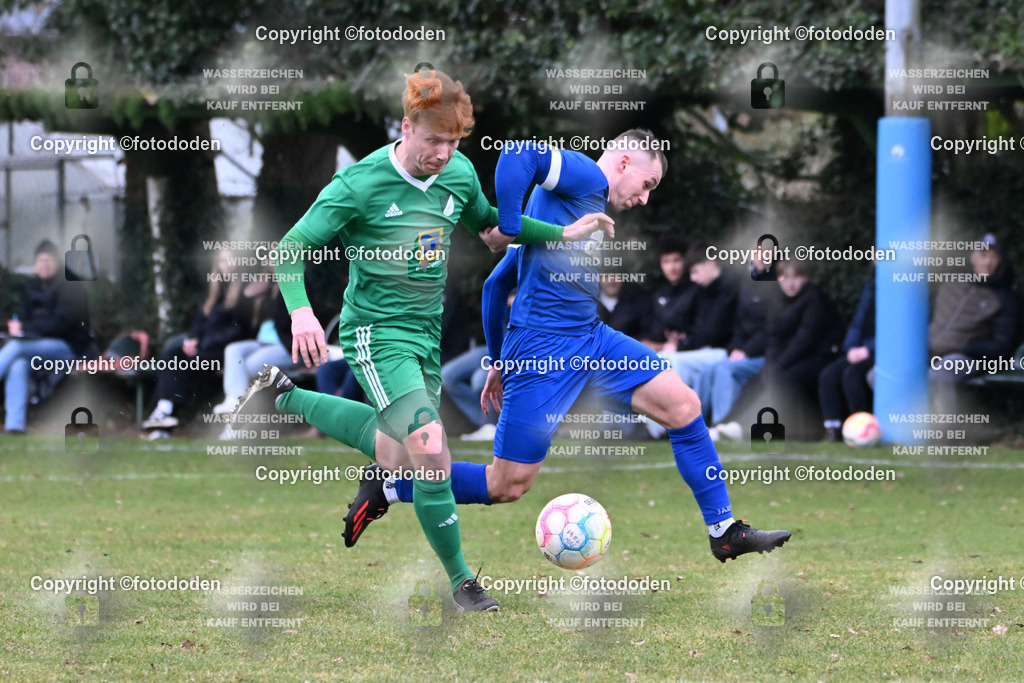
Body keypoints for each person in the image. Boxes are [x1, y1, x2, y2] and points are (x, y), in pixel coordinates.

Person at [231, 66, 614, 612]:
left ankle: (283, 394)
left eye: (455, 142)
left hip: (424, 336)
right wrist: (302, 315)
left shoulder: (456, 173)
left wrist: (562, 231)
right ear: (407, 126)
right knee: (431, 447)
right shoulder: (359, 184)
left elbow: (489, 228)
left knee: (400, 456)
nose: (444, 153)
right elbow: (290, 249)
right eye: (435, 140)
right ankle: (463, 583)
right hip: (375, 333)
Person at [339, 129, 791, 563]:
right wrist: (510, 226)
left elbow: (496, 287)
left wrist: (496, 360)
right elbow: (518, 154)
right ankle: (390, 487)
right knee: (507, 484)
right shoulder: (588, 179)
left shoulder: (568, 212)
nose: (645, 197)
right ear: (625, 160)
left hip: (591, 338)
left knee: (684, 406)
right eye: (647, 184)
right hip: (542, 351)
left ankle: (724, 531)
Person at [711, 260, 839, 441]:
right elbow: (773, 338)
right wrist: (770, 365)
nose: (791, 283)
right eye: (785, 277)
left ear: (806, 278)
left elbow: (804, 341)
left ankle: (748, 429)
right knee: (756, 380)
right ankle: (723, 425)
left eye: (797, 277)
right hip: (788, 360)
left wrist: (776, 367)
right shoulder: (776, 300)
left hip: (817, 357)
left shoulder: (814, 300)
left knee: (780, 380)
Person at [142, 250, 257, 438]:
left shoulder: (245, 293)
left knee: (176, 365)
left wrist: (202, 343)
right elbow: (199, 324)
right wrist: (192, 340)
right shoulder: (212, 292)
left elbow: (240, 331)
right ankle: (165, 409)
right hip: (203, 351)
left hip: (225, 355)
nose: (226, 264)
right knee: (173, 354)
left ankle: (162, 420)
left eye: (230, 260)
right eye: (222, 260)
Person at [1, 240, 93, 434]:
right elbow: (25, 318)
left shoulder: (71, 285)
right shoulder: (32, 287)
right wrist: (18, 327)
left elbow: (61, 324)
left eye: (48, 260)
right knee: (18, 365)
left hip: (69, 348)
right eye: (40, 261)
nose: (44, 265)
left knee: (16, 348)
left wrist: (24, 328)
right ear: (34, 263)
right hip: (37, 348)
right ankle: (14, 426)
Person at [928, 234, 1017, 413]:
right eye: (983, 255)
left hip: (967, 357)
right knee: (877, 374)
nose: (988, 262)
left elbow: (1002, 346)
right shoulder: (951, 284)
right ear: (972, 256)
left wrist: (969, 346)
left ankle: (946, 434)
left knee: (939, 374)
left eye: (994, 257)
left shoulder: (1004, 298)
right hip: (929, 351)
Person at [693, 255, 775, 428]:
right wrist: (736, 348)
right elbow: (739, 324)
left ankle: (723, 425)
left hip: (765, 354)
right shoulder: (747, 285)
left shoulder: (777, 287)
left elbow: (773, 329)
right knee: (707, 372)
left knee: (725, 370)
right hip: (744, 351)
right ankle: (693, 424)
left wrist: (747, 351)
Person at [818, 274, 874, 441]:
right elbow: (858, 321)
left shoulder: (903, 287)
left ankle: (862, 429)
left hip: (880, 352)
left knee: (852, 376)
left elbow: (896, 329)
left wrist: (869, 349)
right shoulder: (871, 285)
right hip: (859, 350)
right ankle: (833, 430)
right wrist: (850, 347)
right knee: (828, 375)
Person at [641, 236, 694, 351]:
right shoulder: (659, 294)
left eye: (676, 260)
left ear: (685, 261)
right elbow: (655, 330)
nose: (672, 267)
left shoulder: (696, 290)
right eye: (666, 261)